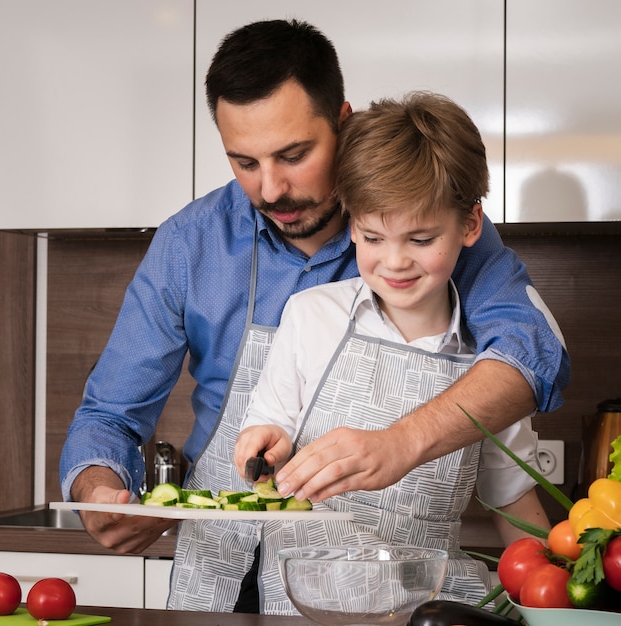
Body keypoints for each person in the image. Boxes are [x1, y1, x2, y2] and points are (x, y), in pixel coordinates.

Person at [59, 19, 568, 613]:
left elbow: (530, 353)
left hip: (380, 584)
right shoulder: (188, 245)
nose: (271, 188)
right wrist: (99, 491)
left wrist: (401, 442)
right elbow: (108, 414)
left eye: (294, 155)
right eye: (244, 162)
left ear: (344, 122)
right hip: (216, 570)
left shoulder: (436, 226)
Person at [233, 91, 550, 614]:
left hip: (427, 608)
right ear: (352, 222)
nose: (395, 262)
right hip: (305, 609)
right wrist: (263, 447)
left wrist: (555, 599)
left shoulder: (490, 364)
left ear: (470, 225)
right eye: (373, 237)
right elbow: (267, 428)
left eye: (421, 238)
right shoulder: (310, 315)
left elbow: (513, 502)